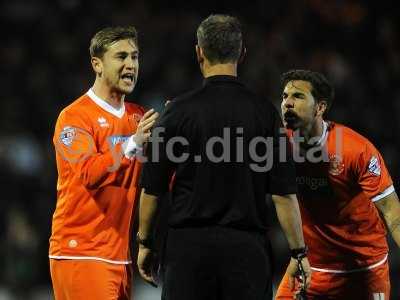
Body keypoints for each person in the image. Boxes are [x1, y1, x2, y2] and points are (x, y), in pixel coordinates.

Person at [136, 15, 311, 300]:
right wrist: (298, 252)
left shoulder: (176, 113)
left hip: (187, 252)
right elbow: (283, 195)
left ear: (199, 52)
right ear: (242, 54)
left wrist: (145, 243)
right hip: (246, 251)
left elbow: (152, 189)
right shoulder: (265, 113)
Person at [49, 26, 158, 300]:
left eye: (134, 57)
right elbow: (89, 172)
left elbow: (157, 177)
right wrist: (133, 143)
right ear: (97, 64)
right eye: (121, 57)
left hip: (119, 257)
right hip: (80, 252)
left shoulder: (138, 117)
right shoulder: (74, 117)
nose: (131, 65)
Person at [276, 69, 400, 300]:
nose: (287, 103)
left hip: (364, 268)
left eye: (298, 96)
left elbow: (392, 213)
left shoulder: (356, 150)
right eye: (284, 97)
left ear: (320, 107)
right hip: (310, 267)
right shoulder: (278, 146)